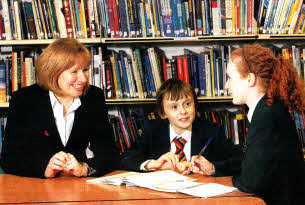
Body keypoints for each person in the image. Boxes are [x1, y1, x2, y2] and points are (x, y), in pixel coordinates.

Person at [191, 44, 305, 205]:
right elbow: (252, 161)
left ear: (250, 79)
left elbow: (250, 183)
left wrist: (224, 183)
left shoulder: (267, 115)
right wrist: (214, 168)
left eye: (230, 77)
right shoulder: (267, 108)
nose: (226, 86)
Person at [0, 38, 120, 178]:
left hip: (78, 185)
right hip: (36, 186)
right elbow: (10, 159)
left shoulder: (93, 97)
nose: (83, 79)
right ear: (53, 72)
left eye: (85, 70)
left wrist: (85, 168)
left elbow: (110, 154)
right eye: (74, 72)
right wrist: (44, 168)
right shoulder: (24, 100)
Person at [121, 78, 243, 176]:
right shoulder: (153, 130)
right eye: (174, 107)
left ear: (195, 105)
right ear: (163, 113)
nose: (183, 111)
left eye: (187, 104)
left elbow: (240, 160)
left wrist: (212, 167)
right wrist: (154, 164)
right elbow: (126, 158)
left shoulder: (211, 131)